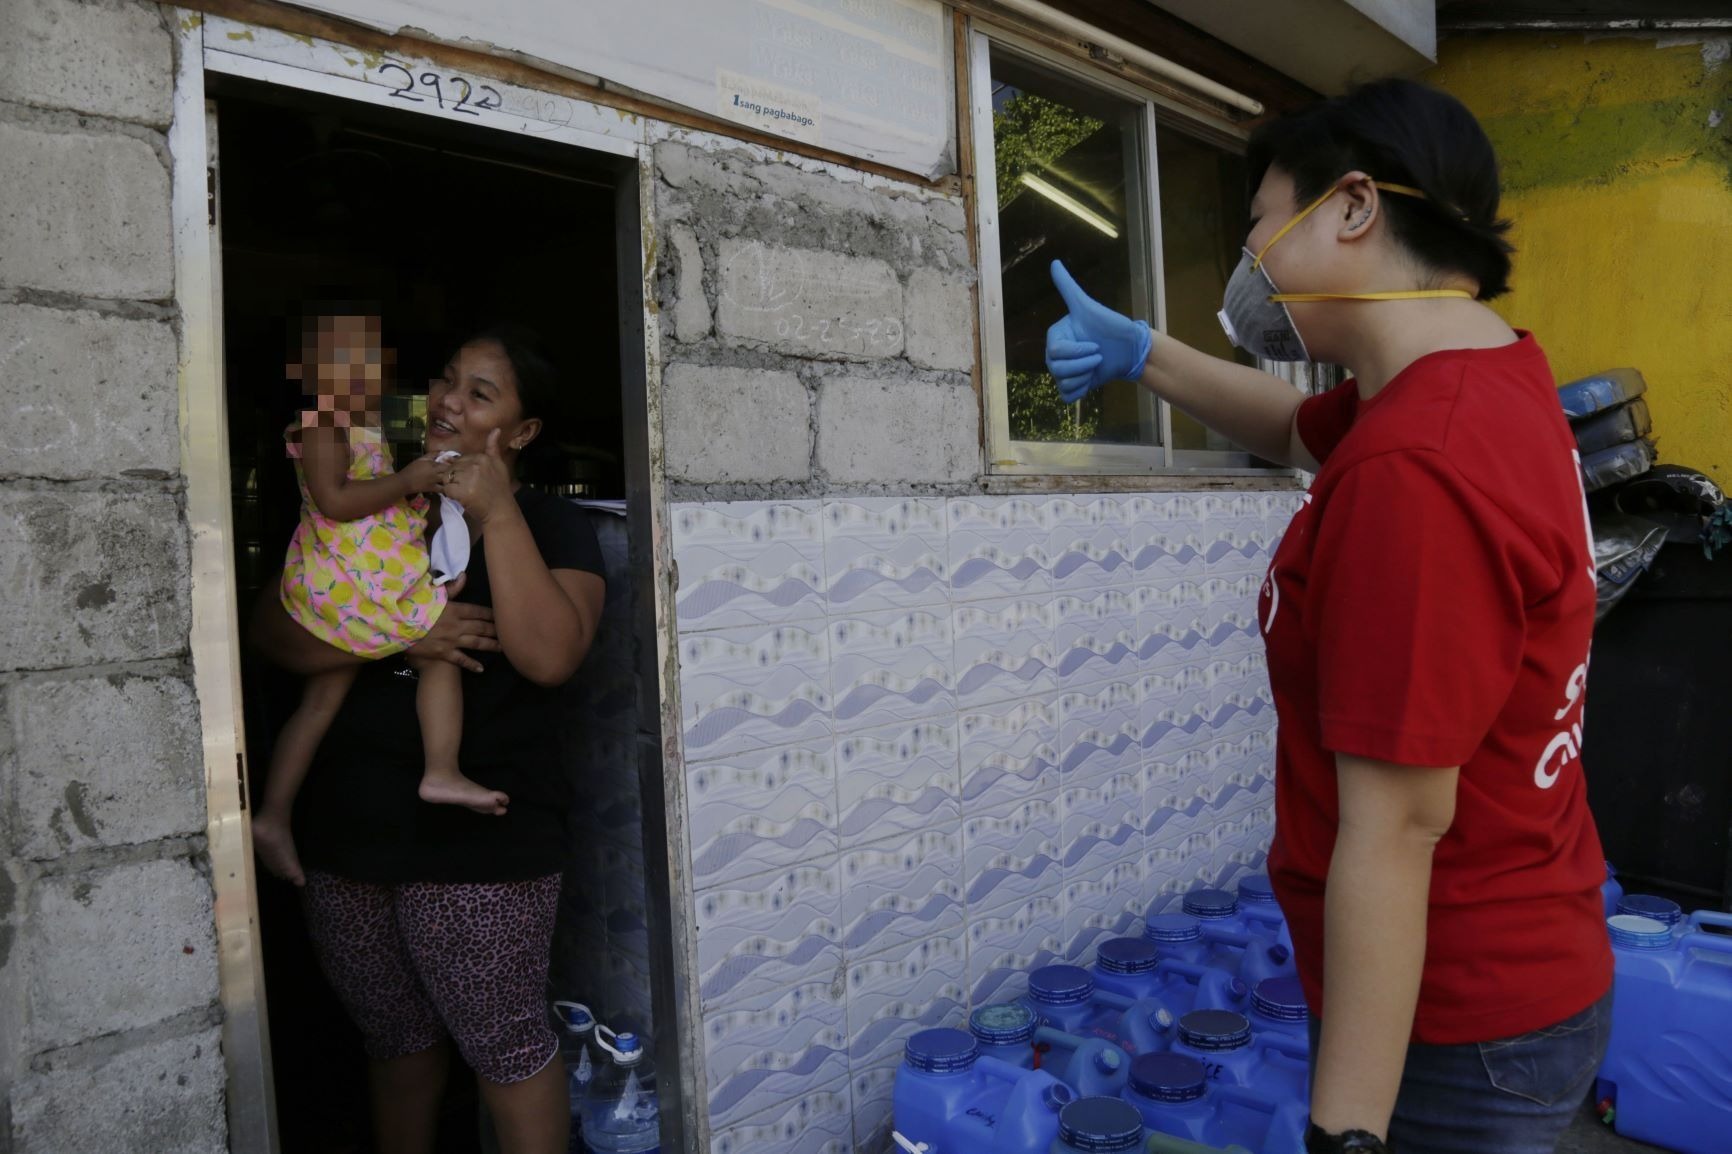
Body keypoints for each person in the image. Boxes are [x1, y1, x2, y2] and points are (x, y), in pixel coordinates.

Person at [1044, 79, 1610, 1154]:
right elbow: (1304, 429)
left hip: (1453, 1017)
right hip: (1530, 958)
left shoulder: (1416, 473)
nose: (1251, 260)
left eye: (1260, 221)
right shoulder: (1481, 380)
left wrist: (1345, 1131)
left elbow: (1398, 826)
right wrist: (1144, 353)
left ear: (1351, 208)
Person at [250, 324, 606, 1154]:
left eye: (480, 394)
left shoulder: (555, 530)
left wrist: (495, 510)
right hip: (349, 841)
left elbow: (551, 656)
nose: (447, 400)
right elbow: (270, 633)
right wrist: (400, 636)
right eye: (448, 380)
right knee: (397, 1042)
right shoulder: (383, 498)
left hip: (482, 850)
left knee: (508, 1049)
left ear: (520, 434)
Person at [251, 310, 507, 889]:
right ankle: (441, 769)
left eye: (369, 359)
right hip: (348, 578)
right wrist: (409, 480)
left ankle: (273, 816)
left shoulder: (369, 427)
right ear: (306, 372)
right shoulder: (319, 426)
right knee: (437, 644)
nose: (360, 372)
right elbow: (337, 503)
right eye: (341, 360)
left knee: (318, 705)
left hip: (363, 572)